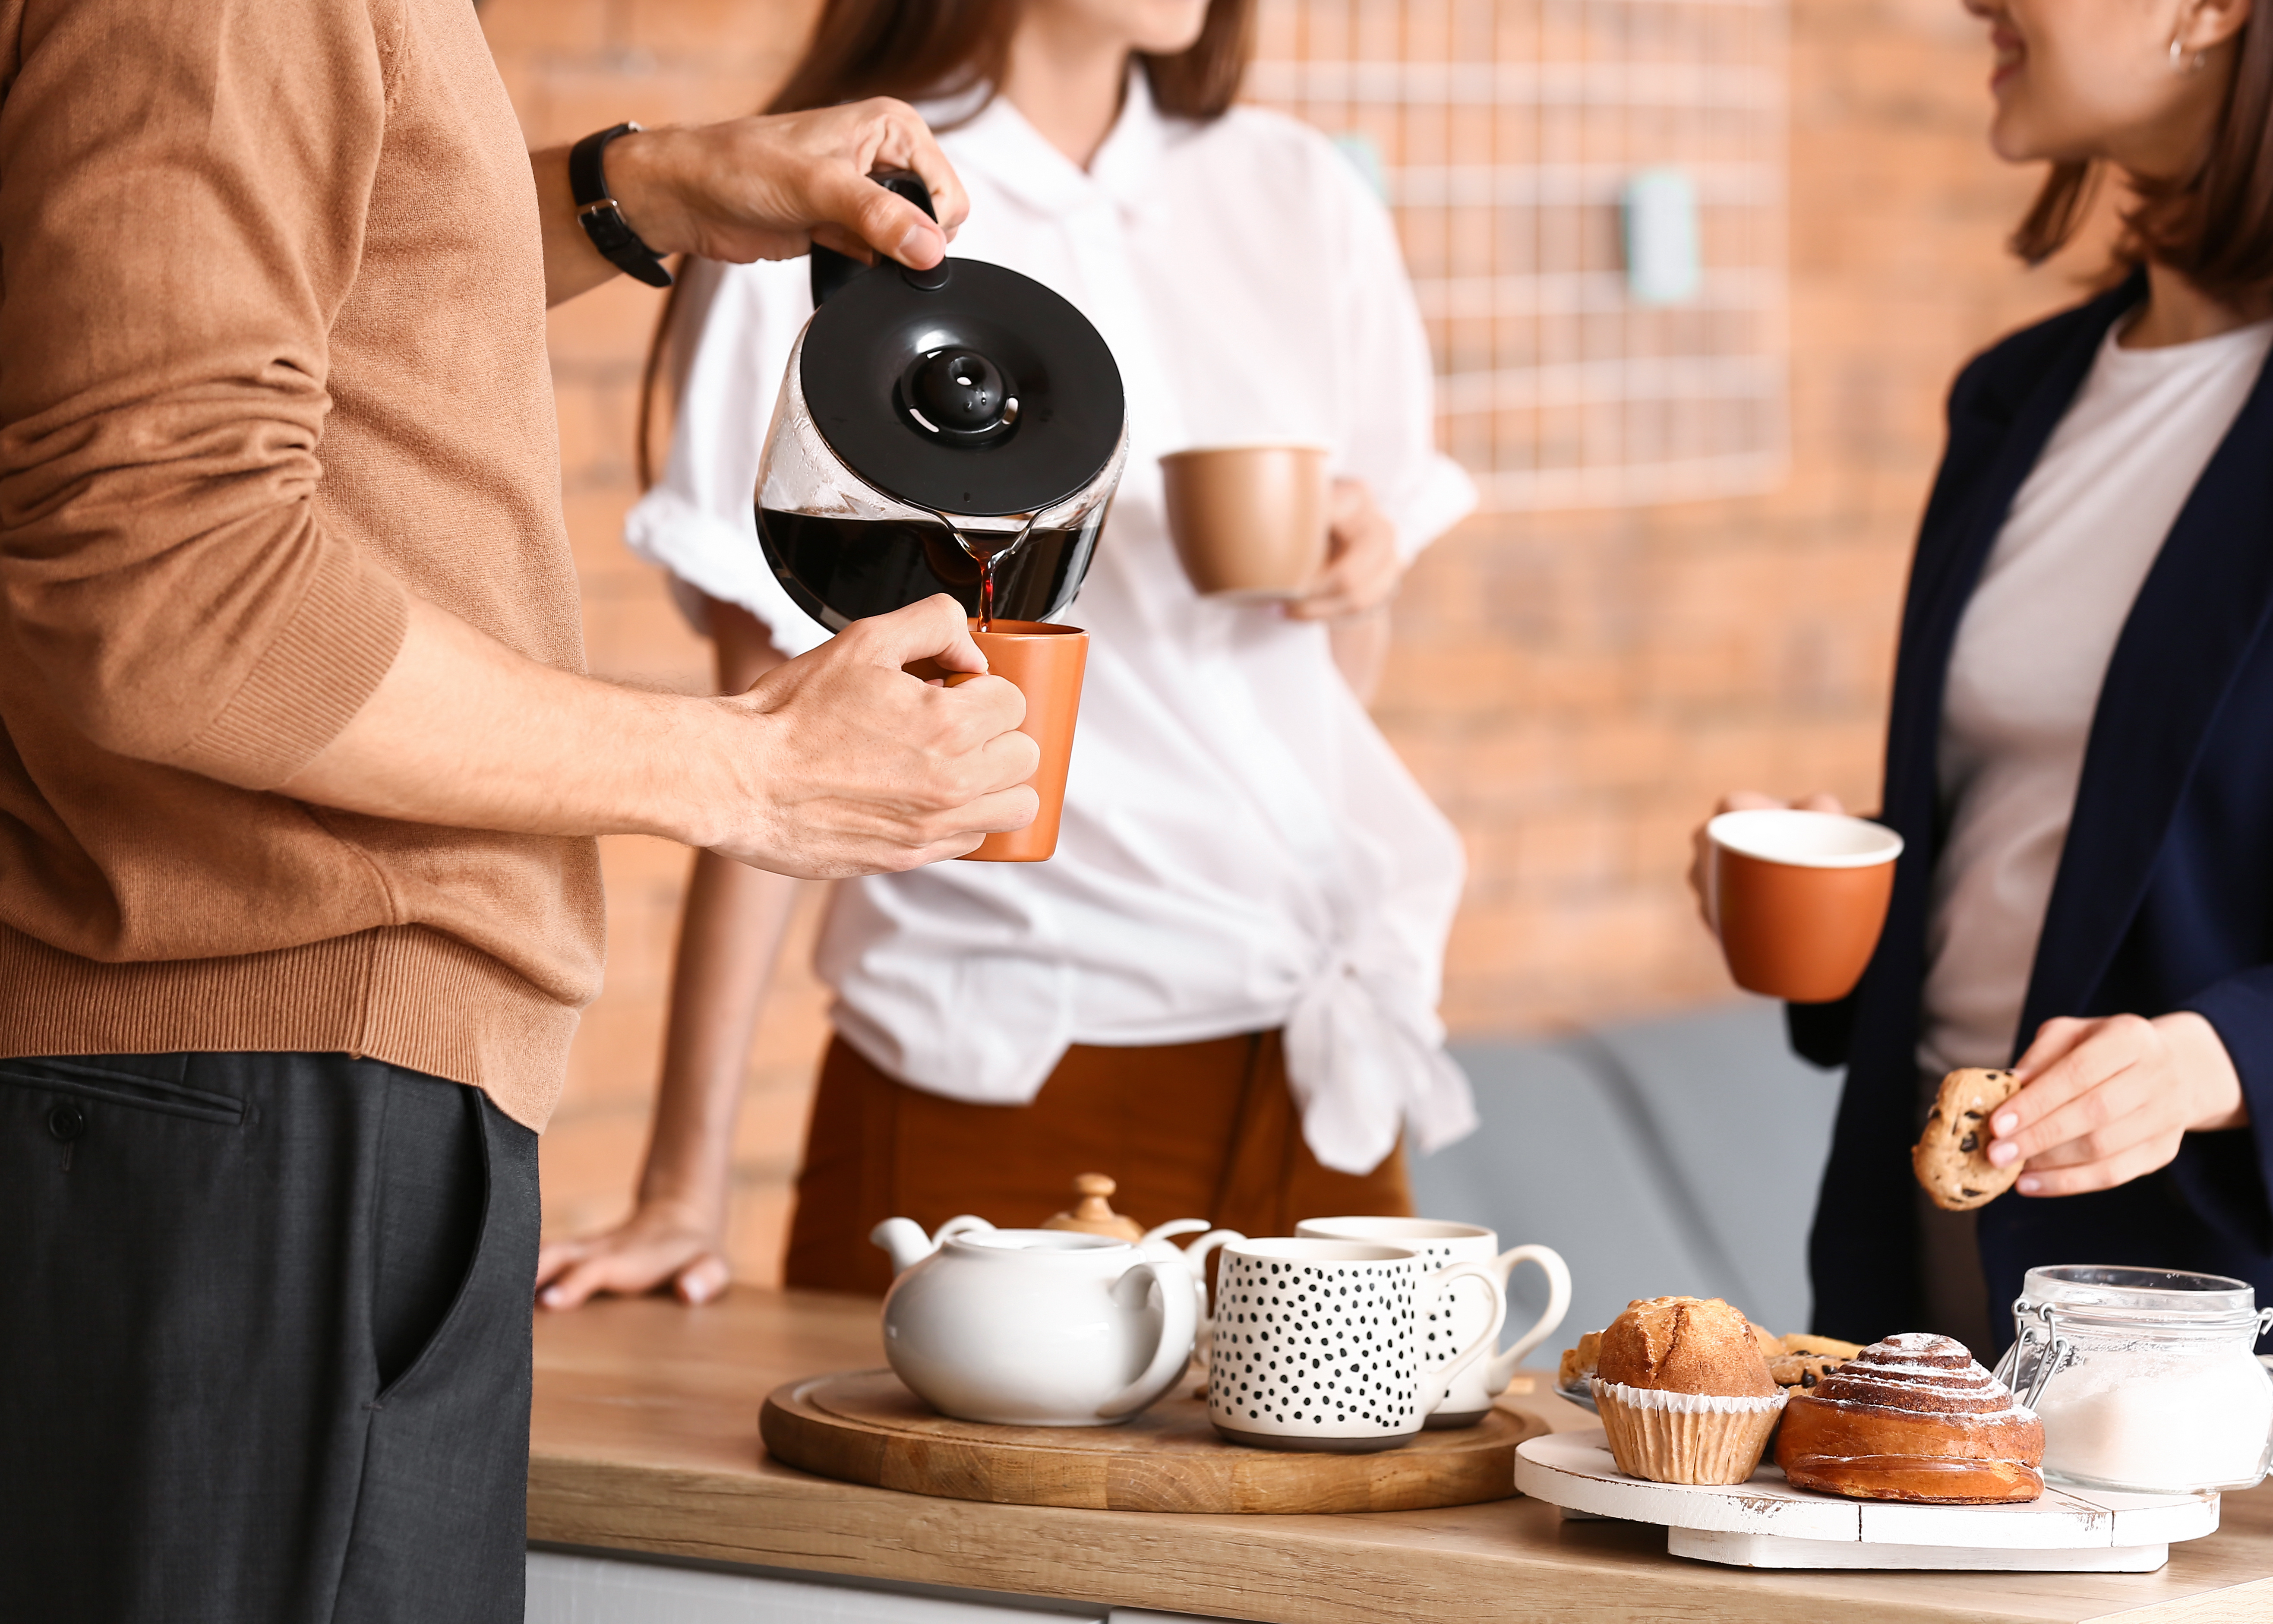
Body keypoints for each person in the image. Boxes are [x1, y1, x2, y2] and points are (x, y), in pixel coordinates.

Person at [0, 0, 1043, 1617]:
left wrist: (644, 196)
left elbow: (323, 264)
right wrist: (743, 768)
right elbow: (165, 586)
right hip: (241, 1097)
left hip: (252, 1096)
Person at [534, 0, 1479, 1309]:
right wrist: (682, 1187)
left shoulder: (1297, 194)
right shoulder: (835, 221)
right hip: (1012, 1069)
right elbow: (772, 746)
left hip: (1319, 1067)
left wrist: (1347, 573)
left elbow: (1315, 697)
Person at [1705, 0, 2273, 1452]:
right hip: (1927, 1286)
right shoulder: (2015, 398)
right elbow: (2043, 851)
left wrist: (2206, 1058)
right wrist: (1828, 913)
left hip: (2235, 1327)